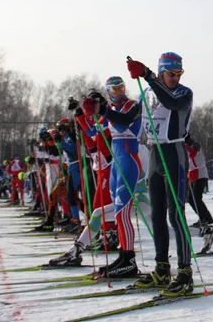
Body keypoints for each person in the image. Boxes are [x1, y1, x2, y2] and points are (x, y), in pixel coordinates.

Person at [126, 52, 195, 296]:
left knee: (176, 214)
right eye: (171, 74)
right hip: (155, 156)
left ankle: (185, 272)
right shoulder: (148, 93)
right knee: (156, 215)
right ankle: (162, 267)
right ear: (162, 71)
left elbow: (172, 104)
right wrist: (99, 110)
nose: (175, 78)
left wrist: (148, 76)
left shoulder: (184, 93)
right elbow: (125, 119)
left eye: (179, 74)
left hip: (174, 153)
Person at [82, 76, 150, 278]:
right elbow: (93, 132)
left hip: (130, 162)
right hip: (115, 166)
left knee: (122, 213)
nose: (119, 91)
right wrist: (82, 115)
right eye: (114, 88)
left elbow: (122, 124)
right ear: (108, 90)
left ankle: (129, 260)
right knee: (117, 216)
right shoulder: (111, 110)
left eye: (121, 87)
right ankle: (123, 255)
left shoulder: (131, 106)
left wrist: (103, 110)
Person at [186, 141, 213, 254]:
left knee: (196, 198)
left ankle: (205, 218)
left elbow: (192, 153)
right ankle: (204, 217)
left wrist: (183, 145)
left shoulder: (195, 148)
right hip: (192, 176)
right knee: (191, 199)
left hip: (200, 175)